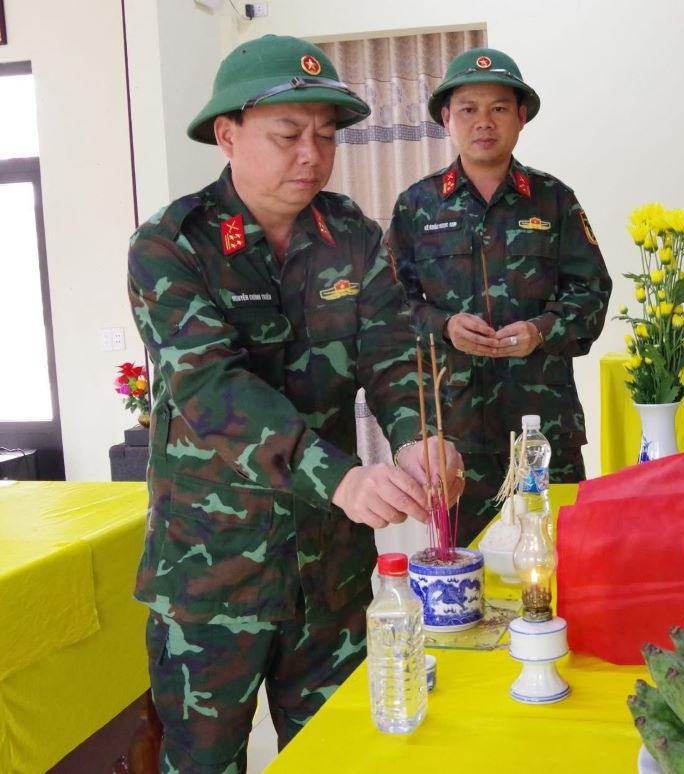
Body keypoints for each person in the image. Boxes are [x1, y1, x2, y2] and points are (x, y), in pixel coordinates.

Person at [126, 35, 463, 771]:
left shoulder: (349, 235)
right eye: (287, 134)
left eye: (325, 134)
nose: (311, 153)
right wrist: (344, 477)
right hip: (211, 580)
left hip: (329, 576)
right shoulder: (170, 247)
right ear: (228, 133)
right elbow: (210, 388)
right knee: (203, 762)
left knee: (339, 756)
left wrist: (417, 435)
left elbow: (394, 354)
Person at [387, 47, 612, 543]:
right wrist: (443, 326)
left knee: (560, 566)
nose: (483, 122)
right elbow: (389, 307)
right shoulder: (416, 207)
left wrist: (541, 331)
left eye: (499, 108)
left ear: (521, 117)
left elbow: (592, 293)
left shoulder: (554, 199)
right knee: (465, 574)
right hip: (454, 436)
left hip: (544, 431)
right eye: (468, 109)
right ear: (446, 118)